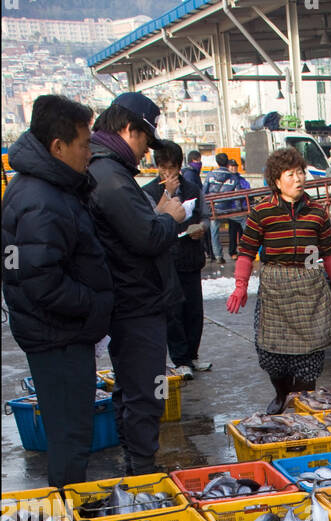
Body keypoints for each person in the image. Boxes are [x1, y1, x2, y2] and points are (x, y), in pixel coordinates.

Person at [1, 95, 113, 487]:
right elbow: (40, 281)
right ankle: (69, 518)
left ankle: (70, 507)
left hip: (59, 333)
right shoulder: (41, 199)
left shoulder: (47, 188)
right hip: (58, 336)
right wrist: (95, 305)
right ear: (58, 146)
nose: (89, 152)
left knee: (71, 434)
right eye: (84, 143)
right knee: (71, 438)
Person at [88, 93, 186, 475]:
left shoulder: (105, 169)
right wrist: (169, 217)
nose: (146, 151)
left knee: (131, 388)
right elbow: (146, 237)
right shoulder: (110, 176)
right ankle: (143, 471)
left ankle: (136, 463)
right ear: (129, 130)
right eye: (145, 140)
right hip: (136, 303)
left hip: (129, 300)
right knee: (146, 390)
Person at [226, 146, 331, 412]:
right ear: (276, 180)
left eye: (300, 173)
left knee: (311, 357)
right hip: (275, 287)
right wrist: (240, 285)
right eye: (290, 174)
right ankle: (282, 393)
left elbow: (328, 254)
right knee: (271, 355)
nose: (299, 179)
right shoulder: (262, 212)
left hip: (310, 287)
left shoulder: (317, 212)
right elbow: (246, 253)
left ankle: (301, 403)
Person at [143, 140, 210, 380]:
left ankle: (192, 354)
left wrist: (201, 227)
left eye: (172, 167)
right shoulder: (149, 191)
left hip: (190, 255)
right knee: (173, 311)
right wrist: (168, 194)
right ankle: (180, 358)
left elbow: (205, 216)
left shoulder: (192, 188)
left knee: (194, 310)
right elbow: (150, 220)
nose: (168, 173)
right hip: (166, 258)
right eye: (163, 168)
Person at [203, 152, 241, 264]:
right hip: (228, 209)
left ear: (217, 162)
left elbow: (204, 192)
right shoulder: (233, 177)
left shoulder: (210, 175)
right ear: (227, 162)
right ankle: (248, 249)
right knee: (244, 222)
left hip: (214, 208)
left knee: (214, 229)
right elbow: (238, 194)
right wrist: (238, 209)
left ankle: (218, 255)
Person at [225, 159, 251, 257]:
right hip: (232, 209)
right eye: (231, 166)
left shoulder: (241, 179)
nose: (234, 168)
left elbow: (248, 188)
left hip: (242, 208)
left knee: (241, 232)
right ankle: (233, 251)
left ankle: (241, 250)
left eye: (235, 166)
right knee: (233, 231)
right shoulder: (228, 180)